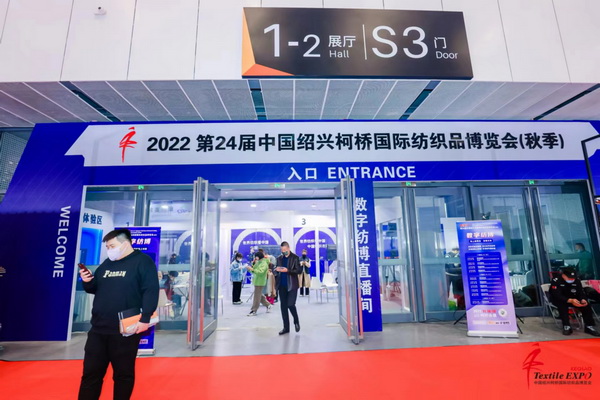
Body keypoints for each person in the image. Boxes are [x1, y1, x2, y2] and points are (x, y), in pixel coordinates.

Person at [78, 228, 159, 400]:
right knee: (91, 374)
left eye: (112, 246)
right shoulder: (107, 263)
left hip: (125, 330)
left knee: (123, 375)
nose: (109, 250)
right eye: (107, 247)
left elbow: (150, 291)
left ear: (126, 243)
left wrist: (145, 319)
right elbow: (95, 288)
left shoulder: (143, 262)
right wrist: (87, 281)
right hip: (98, 329)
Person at [548, 266, 600, 336]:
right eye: (569, 278)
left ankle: (589, 326)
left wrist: (583, 299)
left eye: (573, 278)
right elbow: (556, 295)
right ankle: (566, 326)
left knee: (586, 305)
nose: (571, 279)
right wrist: (569, 300)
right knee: (562, 305)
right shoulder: (556, 280)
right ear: (563, 275)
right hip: (560, 299)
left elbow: (581, 292)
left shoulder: (577, 280)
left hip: (574, 298)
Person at [274, 241, 302, 335]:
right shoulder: (279, 258)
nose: (284, 252)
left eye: (285, 250)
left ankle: (296, 321)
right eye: (282, 250)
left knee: (291, 304)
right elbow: (276, 270)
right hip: (281, 285)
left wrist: (288, 270)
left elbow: (299, 270)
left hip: (292, 285)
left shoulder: (295, 258)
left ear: (288, 248)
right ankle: (286, 328)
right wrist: (276, 270)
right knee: (283, 307)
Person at [246, 251, 272, 316]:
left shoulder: (264, 263)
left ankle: (254, 310)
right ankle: (268, 305)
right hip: (256, 280)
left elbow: (260, 272)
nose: (255, 258)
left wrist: (252, 269)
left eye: (256, 257)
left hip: (260, 281)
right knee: (259, 295)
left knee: (257, 296)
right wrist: (249, 269)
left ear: (258, 257)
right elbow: (254, 270)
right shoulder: (258, 262)